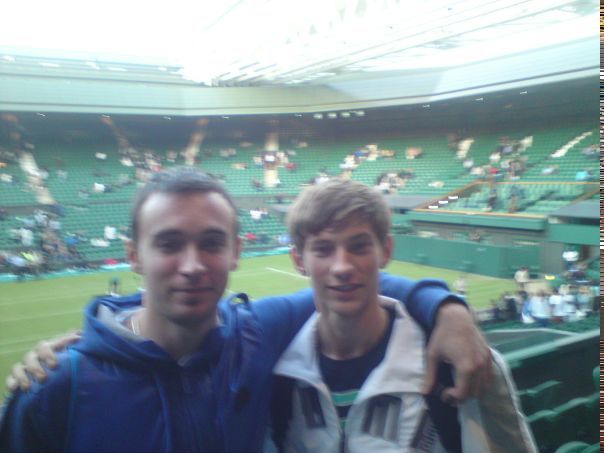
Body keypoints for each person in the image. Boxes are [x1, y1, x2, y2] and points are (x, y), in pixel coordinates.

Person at [0, 167, 491, 452]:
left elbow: (352, 282)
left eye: (211, 243)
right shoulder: (56, 386)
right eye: (169, 244)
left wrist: (446, 307)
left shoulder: (256, 332)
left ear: (235, 251)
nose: (192, 265)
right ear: (134, 255)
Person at [266, 179, 535, 453]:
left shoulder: (463, 362)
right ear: (299, 260)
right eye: (323, 249)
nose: (342, 267)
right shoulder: (276, 374)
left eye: (359, 247)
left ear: (386, 250)